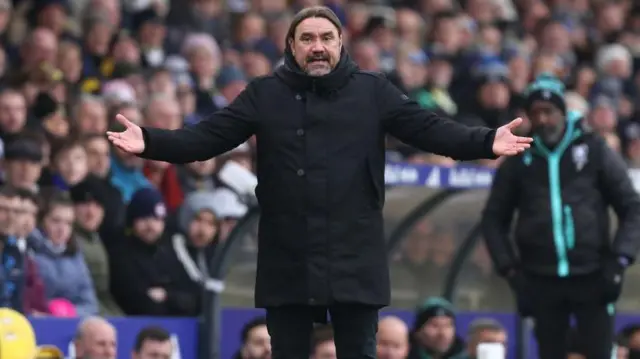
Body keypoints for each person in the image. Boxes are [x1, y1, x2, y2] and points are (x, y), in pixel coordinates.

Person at [107, 6, 531, 359]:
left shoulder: (373, 92)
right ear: (291, 46)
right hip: (286, 255)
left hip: (355, 255)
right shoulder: (264, 94)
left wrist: (488, 141)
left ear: (340, 44)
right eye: (307, 38)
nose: (318, 47)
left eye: (326, 38)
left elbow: (432, 130)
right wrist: (148, 141)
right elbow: (204, 139)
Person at [482, 73, 640, 359]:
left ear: (563, 113)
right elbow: (493, 219)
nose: (542, 119)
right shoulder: (518, 160)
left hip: (593, 274)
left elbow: (632, 207)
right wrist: (511, 271)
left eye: (549, 112)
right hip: (540, 278)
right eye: (535, 113)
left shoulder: (594, 150)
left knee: (599, 351)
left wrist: (620, 260)